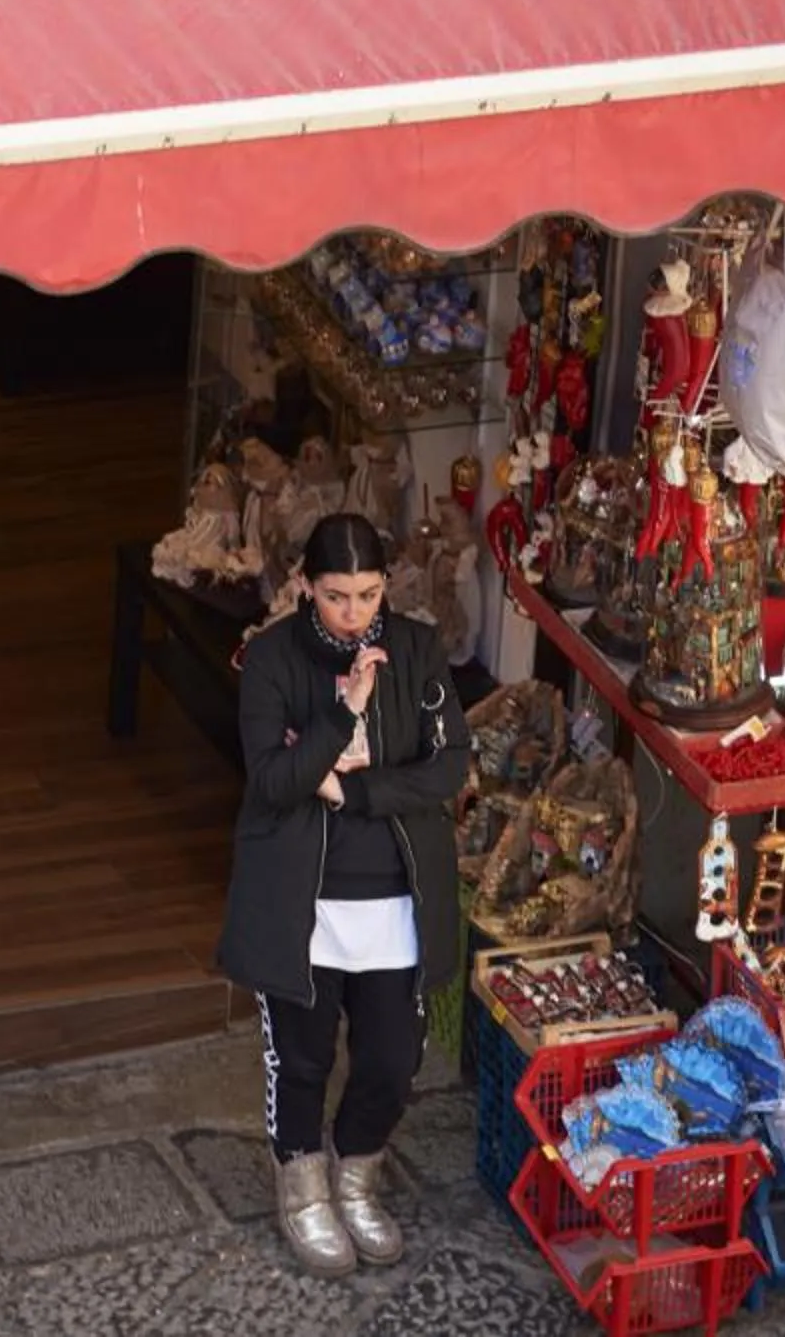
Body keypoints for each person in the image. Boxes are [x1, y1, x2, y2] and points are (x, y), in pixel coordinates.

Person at [216, 511, 468, 1278]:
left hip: (395, 897)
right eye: (335, 596)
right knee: (300, 1059)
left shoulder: (420, 650)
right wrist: (344, 713)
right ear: (305, 587)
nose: (354, 613)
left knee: (393, 1058)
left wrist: (351, 792)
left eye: (366, 594)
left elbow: (450, 765)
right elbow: (274, 780)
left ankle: (357, 1174)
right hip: (302, 899)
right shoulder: (270, 660)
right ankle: (303, 1190)